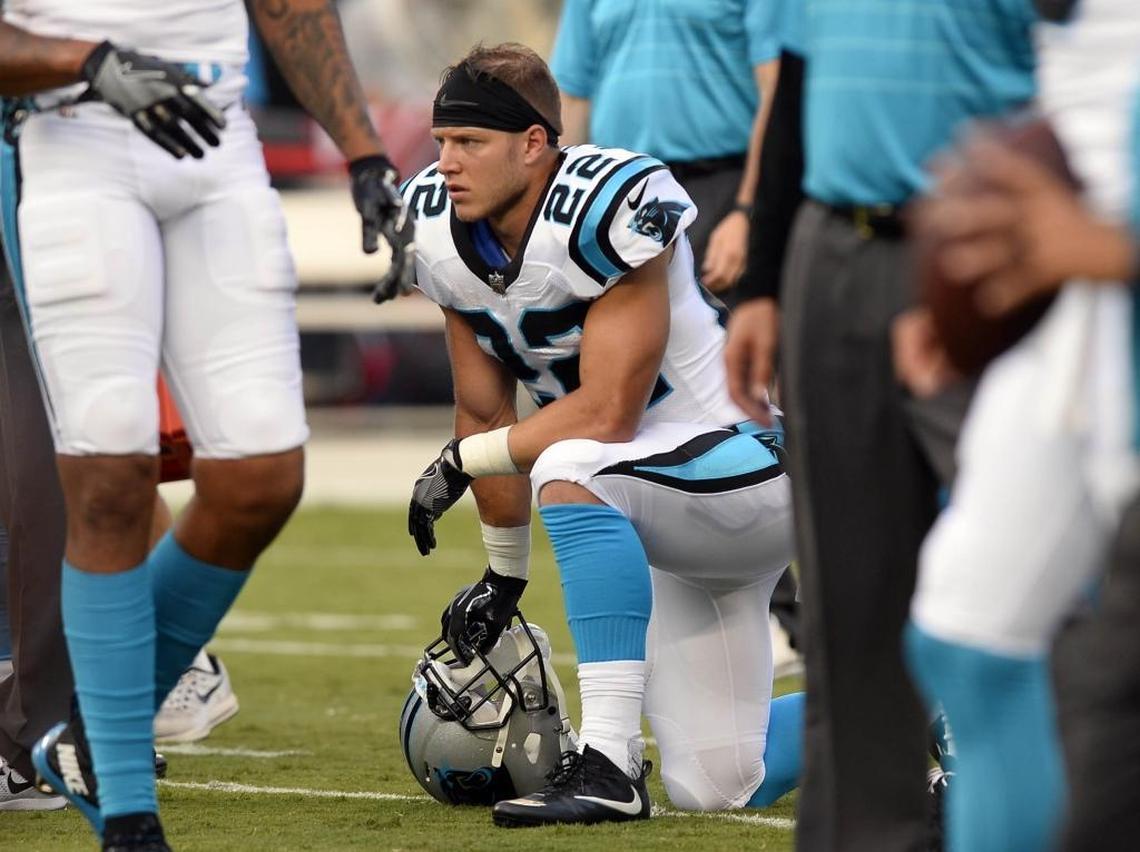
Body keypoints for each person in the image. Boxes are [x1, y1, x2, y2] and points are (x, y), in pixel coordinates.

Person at [0, 1, 413, 848]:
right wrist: (91, 59)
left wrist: (364, 151)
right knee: (109, 476)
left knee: (262, 477)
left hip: (218, 140)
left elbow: (293, 6)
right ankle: (125, 811)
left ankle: (87, 727)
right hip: (72, 140)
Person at [401, 42, 804, 829]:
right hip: (661, 511)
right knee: (719, 781)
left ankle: (611, 763)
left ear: (534, 143)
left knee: (575, 460)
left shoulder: (605, 203)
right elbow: (487, 418)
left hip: (749, 466)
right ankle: (912, 699)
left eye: (471, 143)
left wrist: (458, 464)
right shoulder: (443, 234)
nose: (447, 162)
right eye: (442, 141)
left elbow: (609, 411)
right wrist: (503, 574)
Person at [725, 3, 1038, 849]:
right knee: (847, 606)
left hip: (989, 249)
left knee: (1035, 581)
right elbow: (793, 94)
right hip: (834, 247)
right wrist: (760, 282)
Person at [894, 3, 1140, 846]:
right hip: (1076, 294)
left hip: (1107, 270)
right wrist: (982, 288)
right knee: (968, 633)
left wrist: (1117, 245)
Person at [549, 0, 780, 296]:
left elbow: (774, 88)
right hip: (616, 195)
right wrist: (554, 216)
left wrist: (747, 212)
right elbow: (571, 96)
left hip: (719, 192)